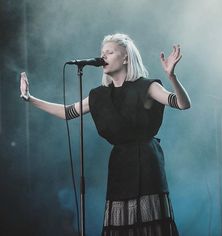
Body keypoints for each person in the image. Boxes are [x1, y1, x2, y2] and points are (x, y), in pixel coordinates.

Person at [20, 33, 191, 236]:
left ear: (126, 57)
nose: (104, 56)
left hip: (146, 162)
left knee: (149, 225)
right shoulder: (99, 96)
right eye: (102, 53)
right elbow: (67, 112)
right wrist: (30, 99)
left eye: (109, 52)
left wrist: (172, 76)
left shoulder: (147, 86)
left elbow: (182, 104)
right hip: (119, 164)